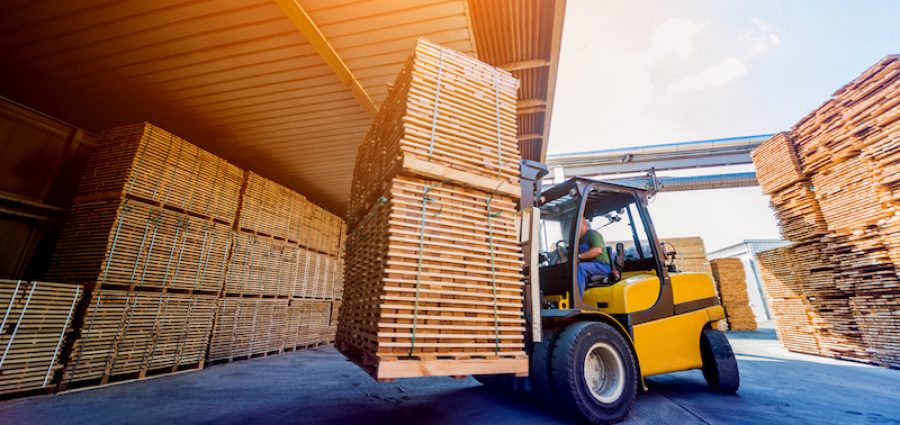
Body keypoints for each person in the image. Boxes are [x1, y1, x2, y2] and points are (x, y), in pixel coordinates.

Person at [576, 216, 611, 295]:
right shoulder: (578, 241)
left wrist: (579, 257)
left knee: (579, 268)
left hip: (602, 265)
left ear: (584, 223)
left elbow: (597, 250)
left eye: (577, 224)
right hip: (591, 266)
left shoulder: (592, 234)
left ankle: (577, 299)